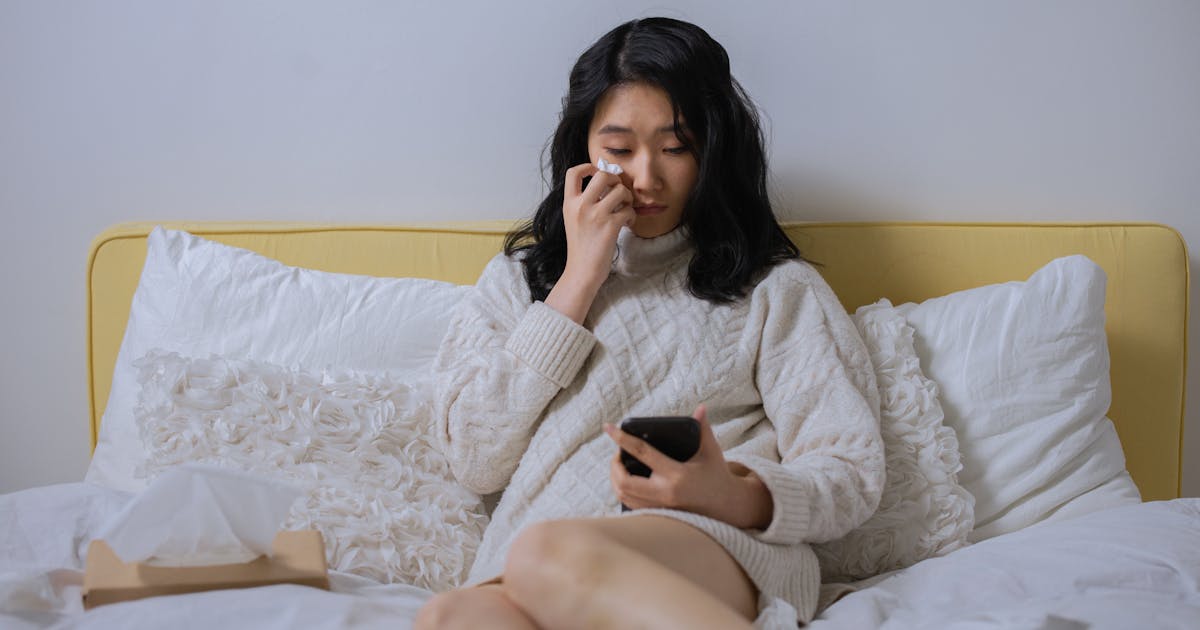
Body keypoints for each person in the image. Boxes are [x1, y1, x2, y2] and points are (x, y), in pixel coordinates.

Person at [415, 17, 884, 629]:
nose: (645, 179)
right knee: (450, 615)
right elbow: (475, 459)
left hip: (712, 541)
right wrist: (578, 279)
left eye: (675, 148)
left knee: (548, 554)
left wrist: (736, 494)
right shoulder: (516, 282)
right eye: (619, 150)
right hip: (535, 560)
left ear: (713, 148)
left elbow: (851, 470)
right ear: (582, 150)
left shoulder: (775, 289)